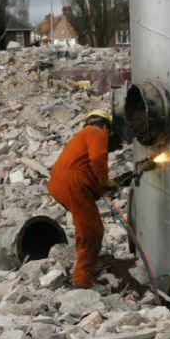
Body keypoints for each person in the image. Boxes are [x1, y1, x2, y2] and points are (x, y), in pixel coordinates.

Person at [47, 110, 117, 288]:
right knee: (93, 231)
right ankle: (82, 281)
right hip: (72, 184)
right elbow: (98, 158)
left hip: (60, 184)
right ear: (105, 125)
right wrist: (104, 181)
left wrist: (101, 188)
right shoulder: (96, 132)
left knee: (84, 227)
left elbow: (85, 167)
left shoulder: (80, 137)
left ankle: (81, 273)